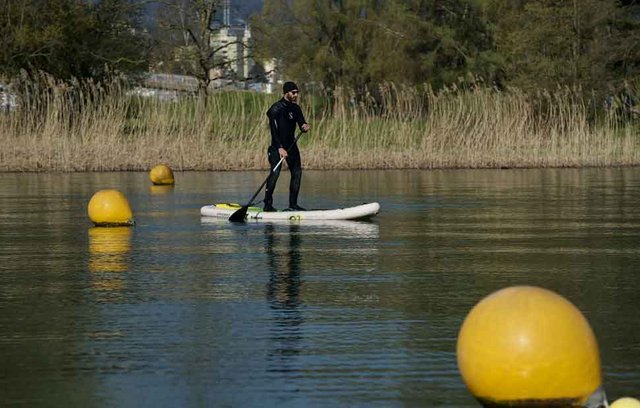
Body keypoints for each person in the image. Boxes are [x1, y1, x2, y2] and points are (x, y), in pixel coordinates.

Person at [263, 81, 311, 212]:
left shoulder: (296, 108)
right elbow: (274, 130)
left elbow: (302, 123)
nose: (296, 95)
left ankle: (293, 205)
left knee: (297, 173)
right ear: (286, 93)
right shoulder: (276, 109)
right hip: (276, 147)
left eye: (297, 93)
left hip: (291, 146)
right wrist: (279, 147)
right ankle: (267, 205)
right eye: (293, 92)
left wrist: (304, 126)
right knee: (275, 173)